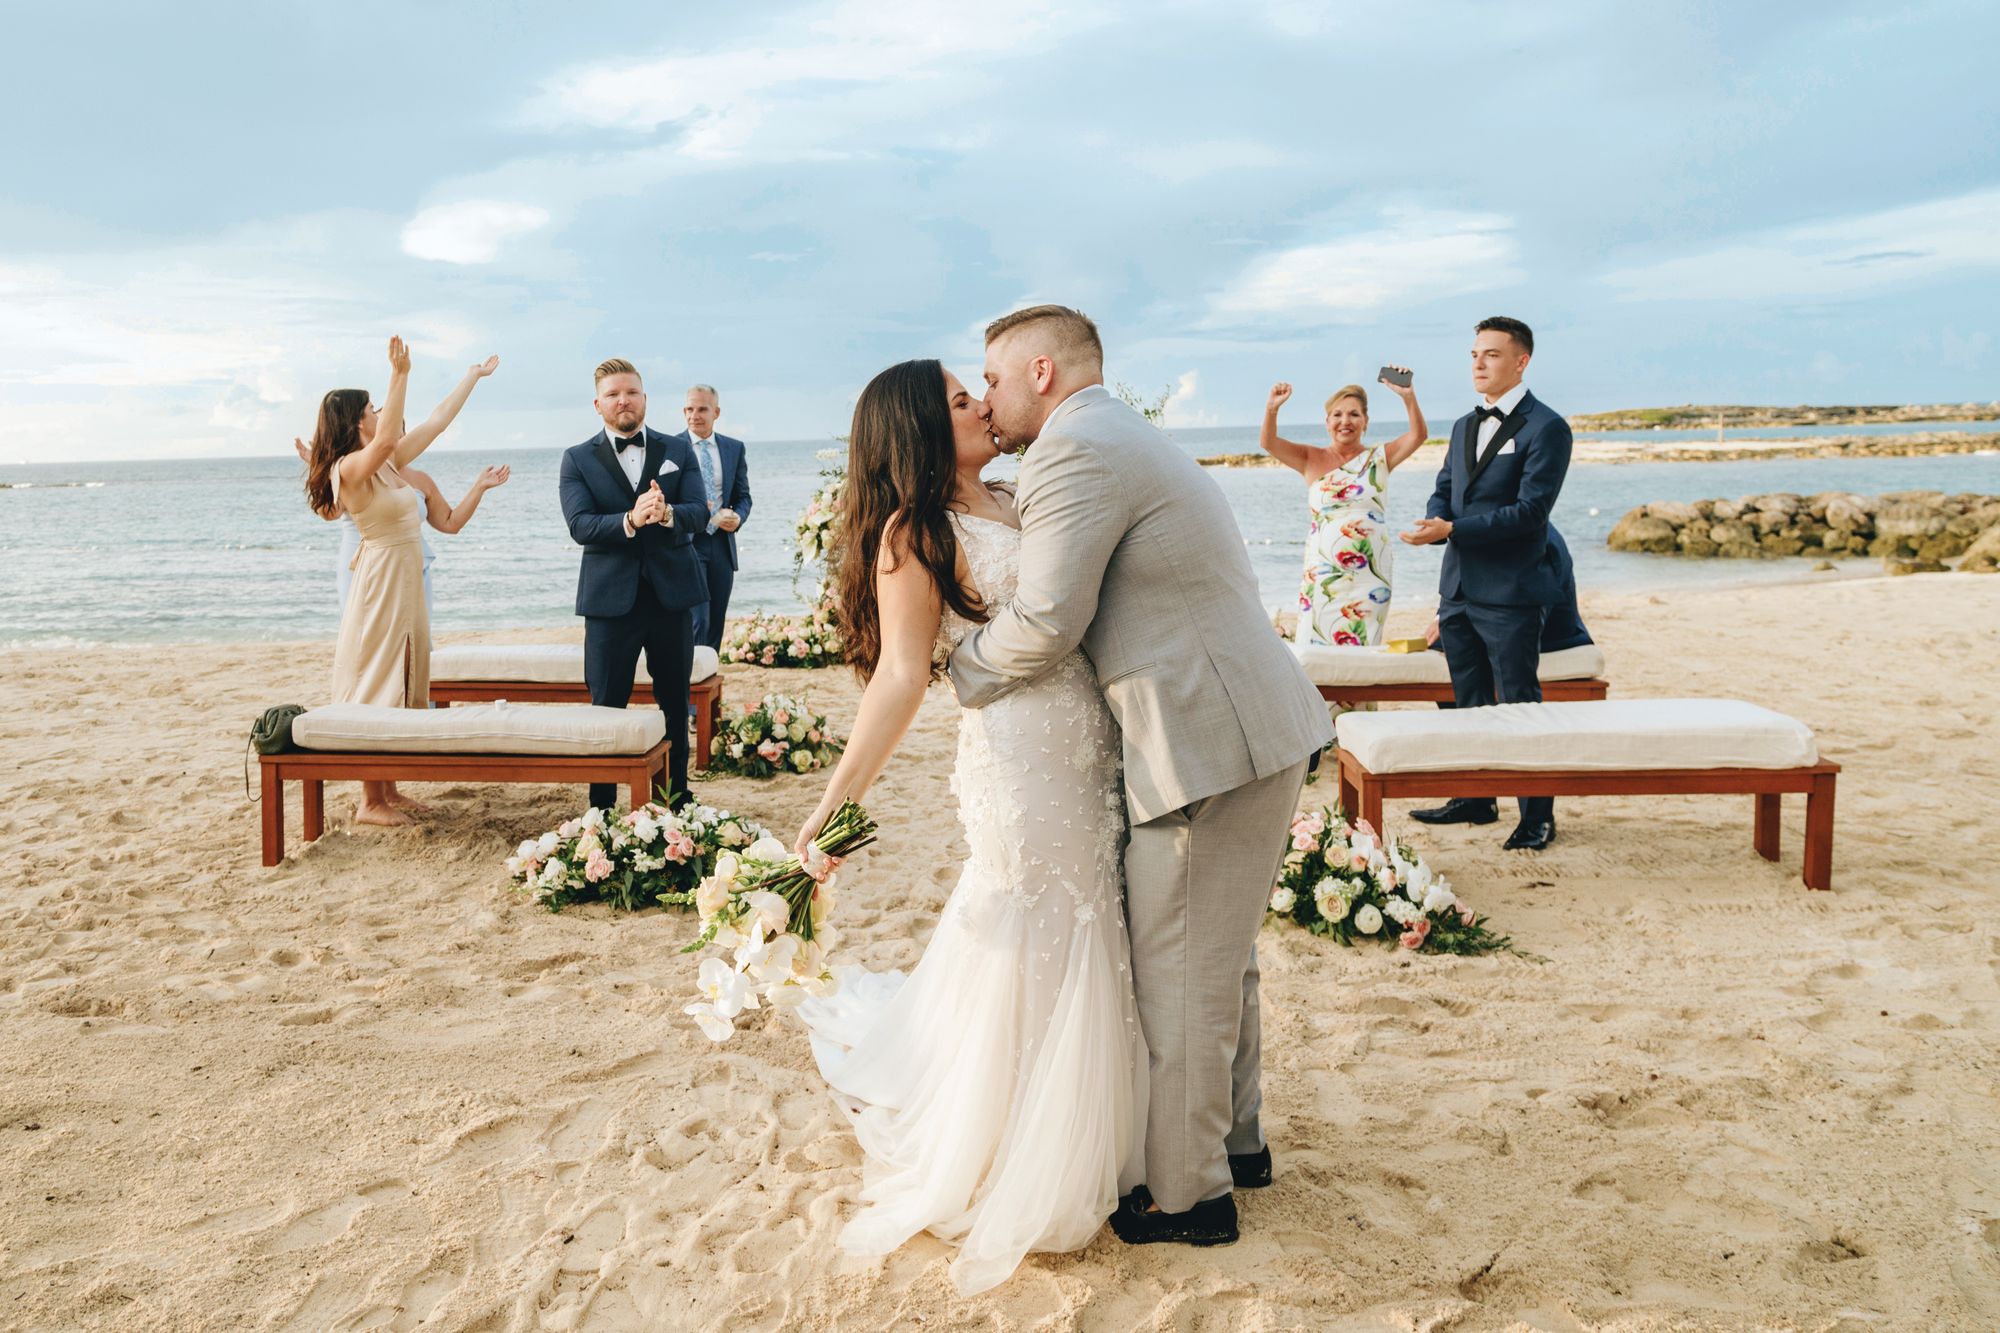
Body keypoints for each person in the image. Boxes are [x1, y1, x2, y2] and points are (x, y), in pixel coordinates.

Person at [950, 306, 1330, 1253]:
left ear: (1041, 372)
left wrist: (955, 669)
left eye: (992, 379)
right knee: (1222, 956)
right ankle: (1235, 1145)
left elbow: (1044, 620)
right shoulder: (1113, 431)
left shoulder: (1075, 450)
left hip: (1206, 740)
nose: (986, 398)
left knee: (1182, 968)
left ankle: (1191, 1195)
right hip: (1245, 722)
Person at [786, 357, 1140, 1296]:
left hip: (1090, 744)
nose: (983, 404)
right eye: (958, 399)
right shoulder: (913, 534)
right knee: (1037, 914)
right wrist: (834, 803)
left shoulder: (1025, 495)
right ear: (918, 431)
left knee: (1094, 908)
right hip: (1018, 758)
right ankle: (1015, 1133)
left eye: (976, 390)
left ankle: (1098, 1115)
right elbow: (903, 676)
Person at [304, 338, 499, 826]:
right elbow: (389, 438)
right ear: (356, 422)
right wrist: (400, 374)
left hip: (406, 577)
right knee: (377, 676)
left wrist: (470, 377)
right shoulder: (348, 469)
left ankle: (388, 790)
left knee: (405, 671)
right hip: (379, 581)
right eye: (372, 408)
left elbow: (434, 422)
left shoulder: (388, 464)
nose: (380, 412)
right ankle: (370, 801)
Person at [1400, 316, 1572, 850]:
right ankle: (1476, 799)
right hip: (1458, 589)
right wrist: (1434, 525)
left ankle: (1537, 816)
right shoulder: (1462, 426)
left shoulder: (1547, 427)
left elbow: (1530, 512)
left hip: (1513, 592)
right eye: (1475, 353)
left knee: (1520, 704)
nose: (1478, 362)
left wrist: (1454, 529)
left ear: (1521, 361)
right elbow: (1445, 489)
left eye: (1492, 354)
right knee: (1466, 699)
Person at [557, 358, 709, 812]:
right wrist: (628, 519)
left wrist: (666, 515)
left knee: (674, 705)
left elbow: (699, 512)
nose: (623, 400)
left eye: (632, 392)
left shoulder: (677, 451)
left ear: (644, 398)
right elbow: (580, 525)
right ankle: (601, 812)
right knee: (606, 707)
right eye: (613, 394)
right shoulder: (577, 459)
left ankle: (676, 801)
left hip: (671, 598)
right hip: (609, 604)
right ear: (598, 404)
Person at [1262, 371, 1428, 646]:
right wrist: (1272, 409)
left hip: (1370, 575)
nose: (1345, 421)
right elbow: (1269, 442)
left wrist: (1408, 397)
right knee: (1313, 648)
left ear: (1365, 422)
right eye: (1337, 415)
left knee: (1364, 649)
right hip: (1322, 572)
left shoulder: (1380, 458)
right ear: (1327, 422)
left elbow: (1418, 435)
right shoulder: (1309, 458)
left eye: (1353, 414)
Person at [295, 440, 510, 611]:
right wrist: (321, 470)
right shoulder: (359, 473)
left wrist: (479, 487)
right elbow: (329, 513)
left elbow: (450, 523)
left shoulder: (420, 479)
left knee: (416, 646)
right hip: (364, 566)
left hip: (412, 565)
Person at [671, 384, 752, 651]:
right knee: (698, 621)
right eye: (690, 409)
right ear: (684, 411)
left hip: (721, 545)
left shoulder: (734, 448)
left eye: (702, 409)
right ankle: (689, 684)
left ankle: (709, 684)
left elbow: (743, 497)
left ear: (716, 412)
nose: (695, 415)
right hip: (687, 543)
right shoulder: (671, 447)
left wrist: (738, 518)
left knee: (716, 620)